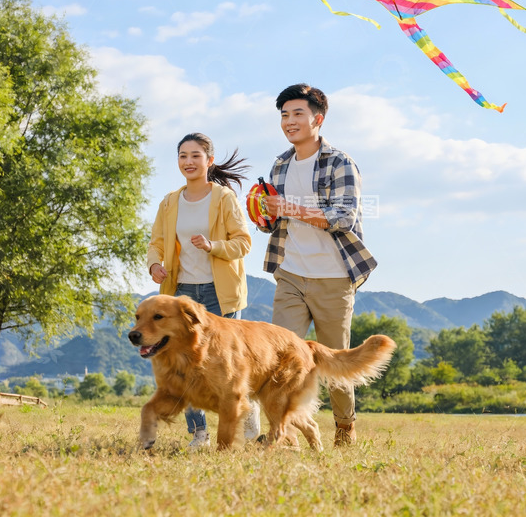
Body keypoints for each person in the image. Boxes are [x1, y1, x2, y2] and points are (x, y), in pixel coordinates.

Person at [258, 83, 377, 447]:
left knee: (336, 361)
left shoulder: (341, 162)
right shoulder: (280, 164)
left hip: (334, 277)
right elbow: (274, 221)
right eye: (284, 115)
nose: (289, 121)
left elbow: (343, 216)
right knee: (277, 359)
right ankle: (283, 432)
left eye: (298, 114)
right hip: (290, 273)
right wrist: (263, 213)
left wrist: (289, 209)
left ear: (318, 119)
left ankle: (345, 426)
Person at [147, 132, 260, 449]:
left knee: (227, 364)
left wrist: (213, 246)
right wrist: (155, 265)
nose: (188, 161)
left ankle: (247, 418)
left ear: (209, 160)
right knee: (182, 364)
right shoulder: (170, 202)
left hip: (219, 292)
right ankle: (200, 433)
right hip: (181, 291)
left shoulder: (224, 199)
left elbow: (243, 243)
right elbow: (156, 243)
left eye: (195, 155)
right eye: (183, 156)